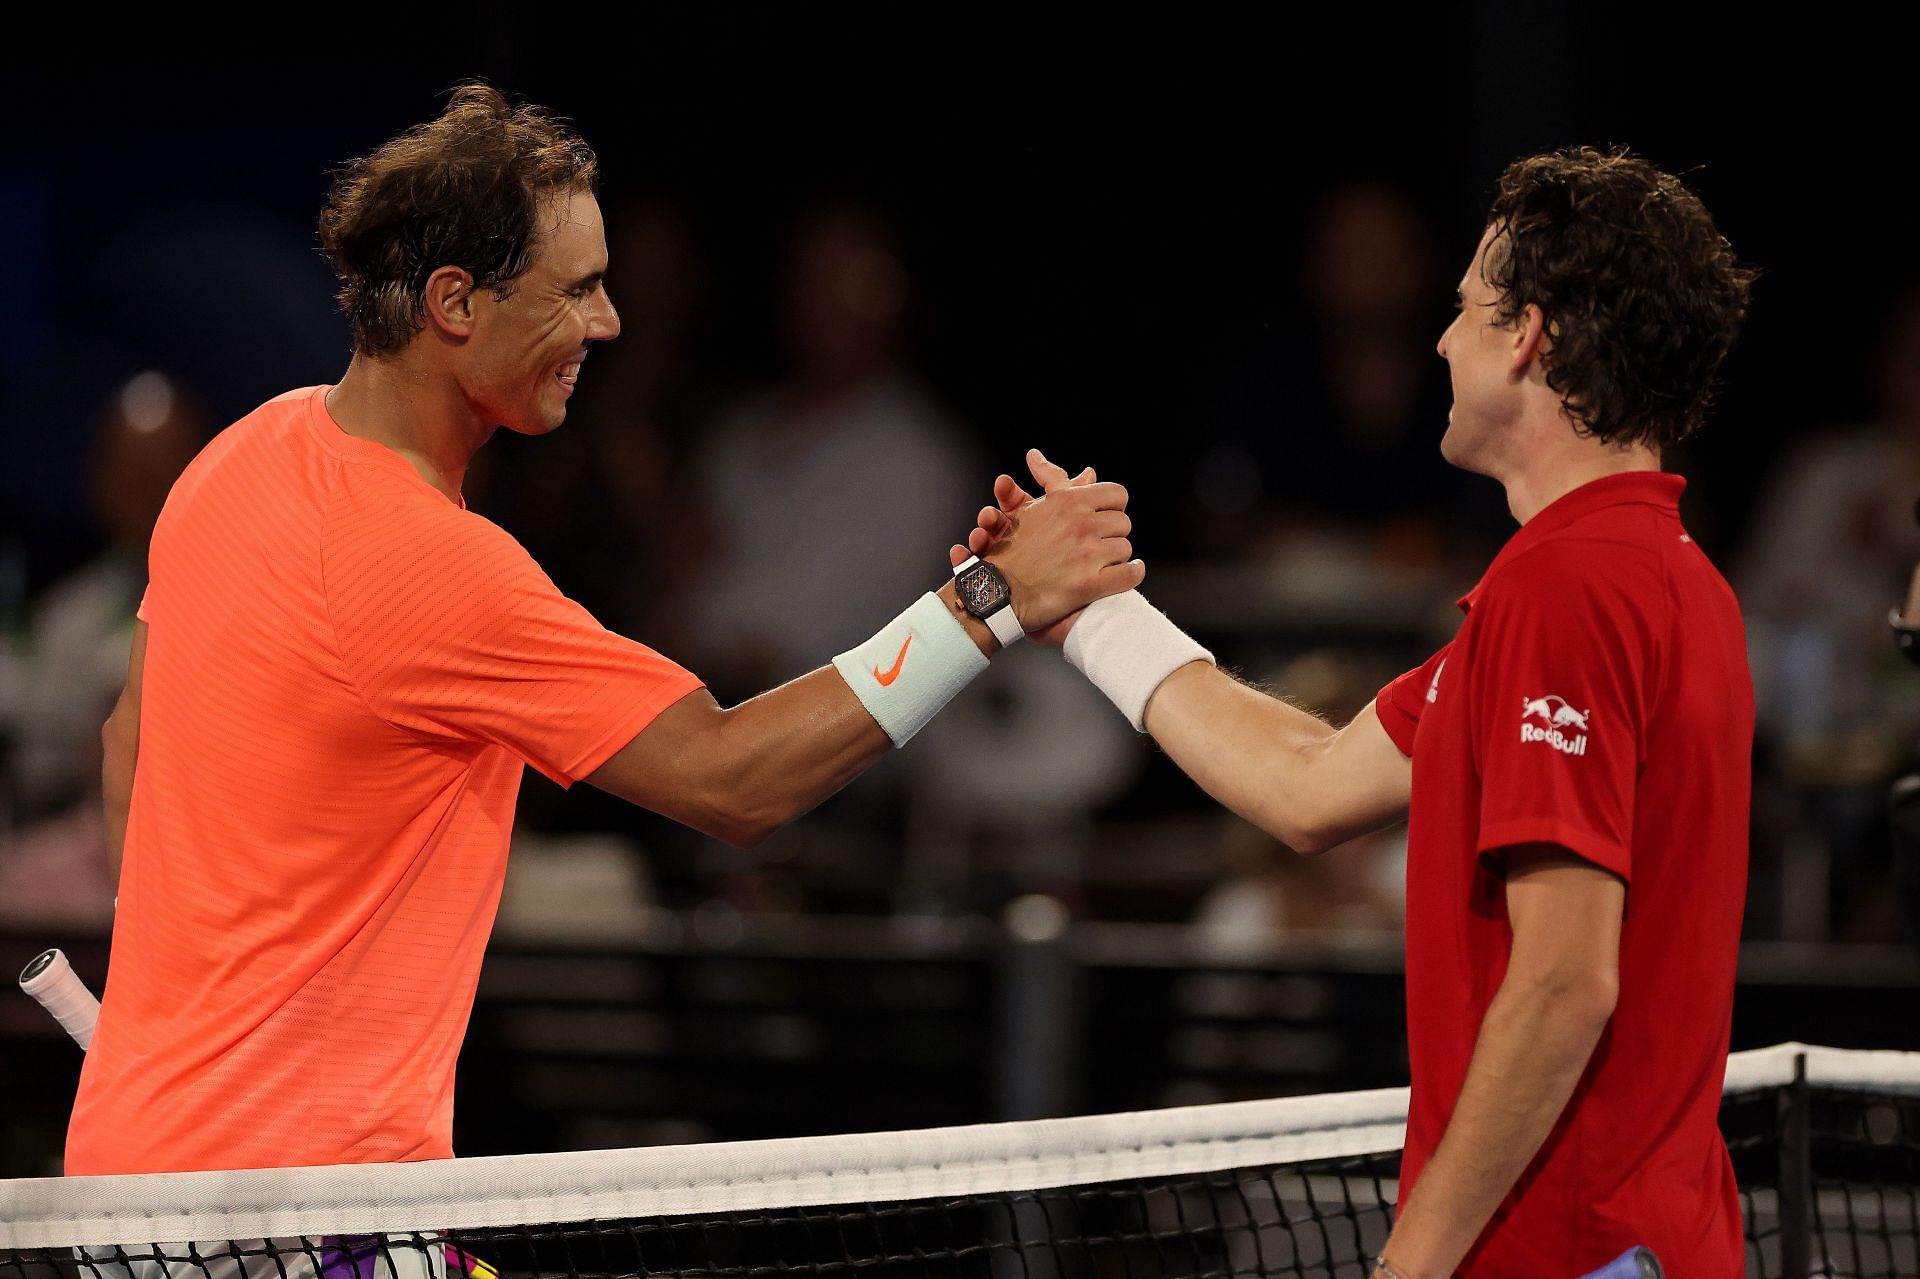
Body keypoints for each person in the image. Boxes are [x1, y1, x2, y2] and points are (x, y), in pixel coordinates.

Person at [65, 84, 1142, 1178]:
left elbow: (127, 748)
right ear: (455, 303)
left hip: (133, 1162)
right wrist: (988, 600)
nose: (609, 322)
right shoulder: (434, 563)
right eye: (575, 289)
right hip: (302, 1213)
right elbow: (733, 779)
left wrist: (180, 1017)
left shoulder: (238, 458)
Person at [964, 147, 1757, 1277]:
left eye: (1464, 309)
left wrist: (1409, 1264)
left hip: (1571, 1254)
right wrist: (1090, 612)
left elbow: (1565, 978)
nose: (1439, 340)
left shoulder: (1565, 588)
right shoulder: (1672, 580)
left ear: (1528, 336)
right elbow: (1309, 783)